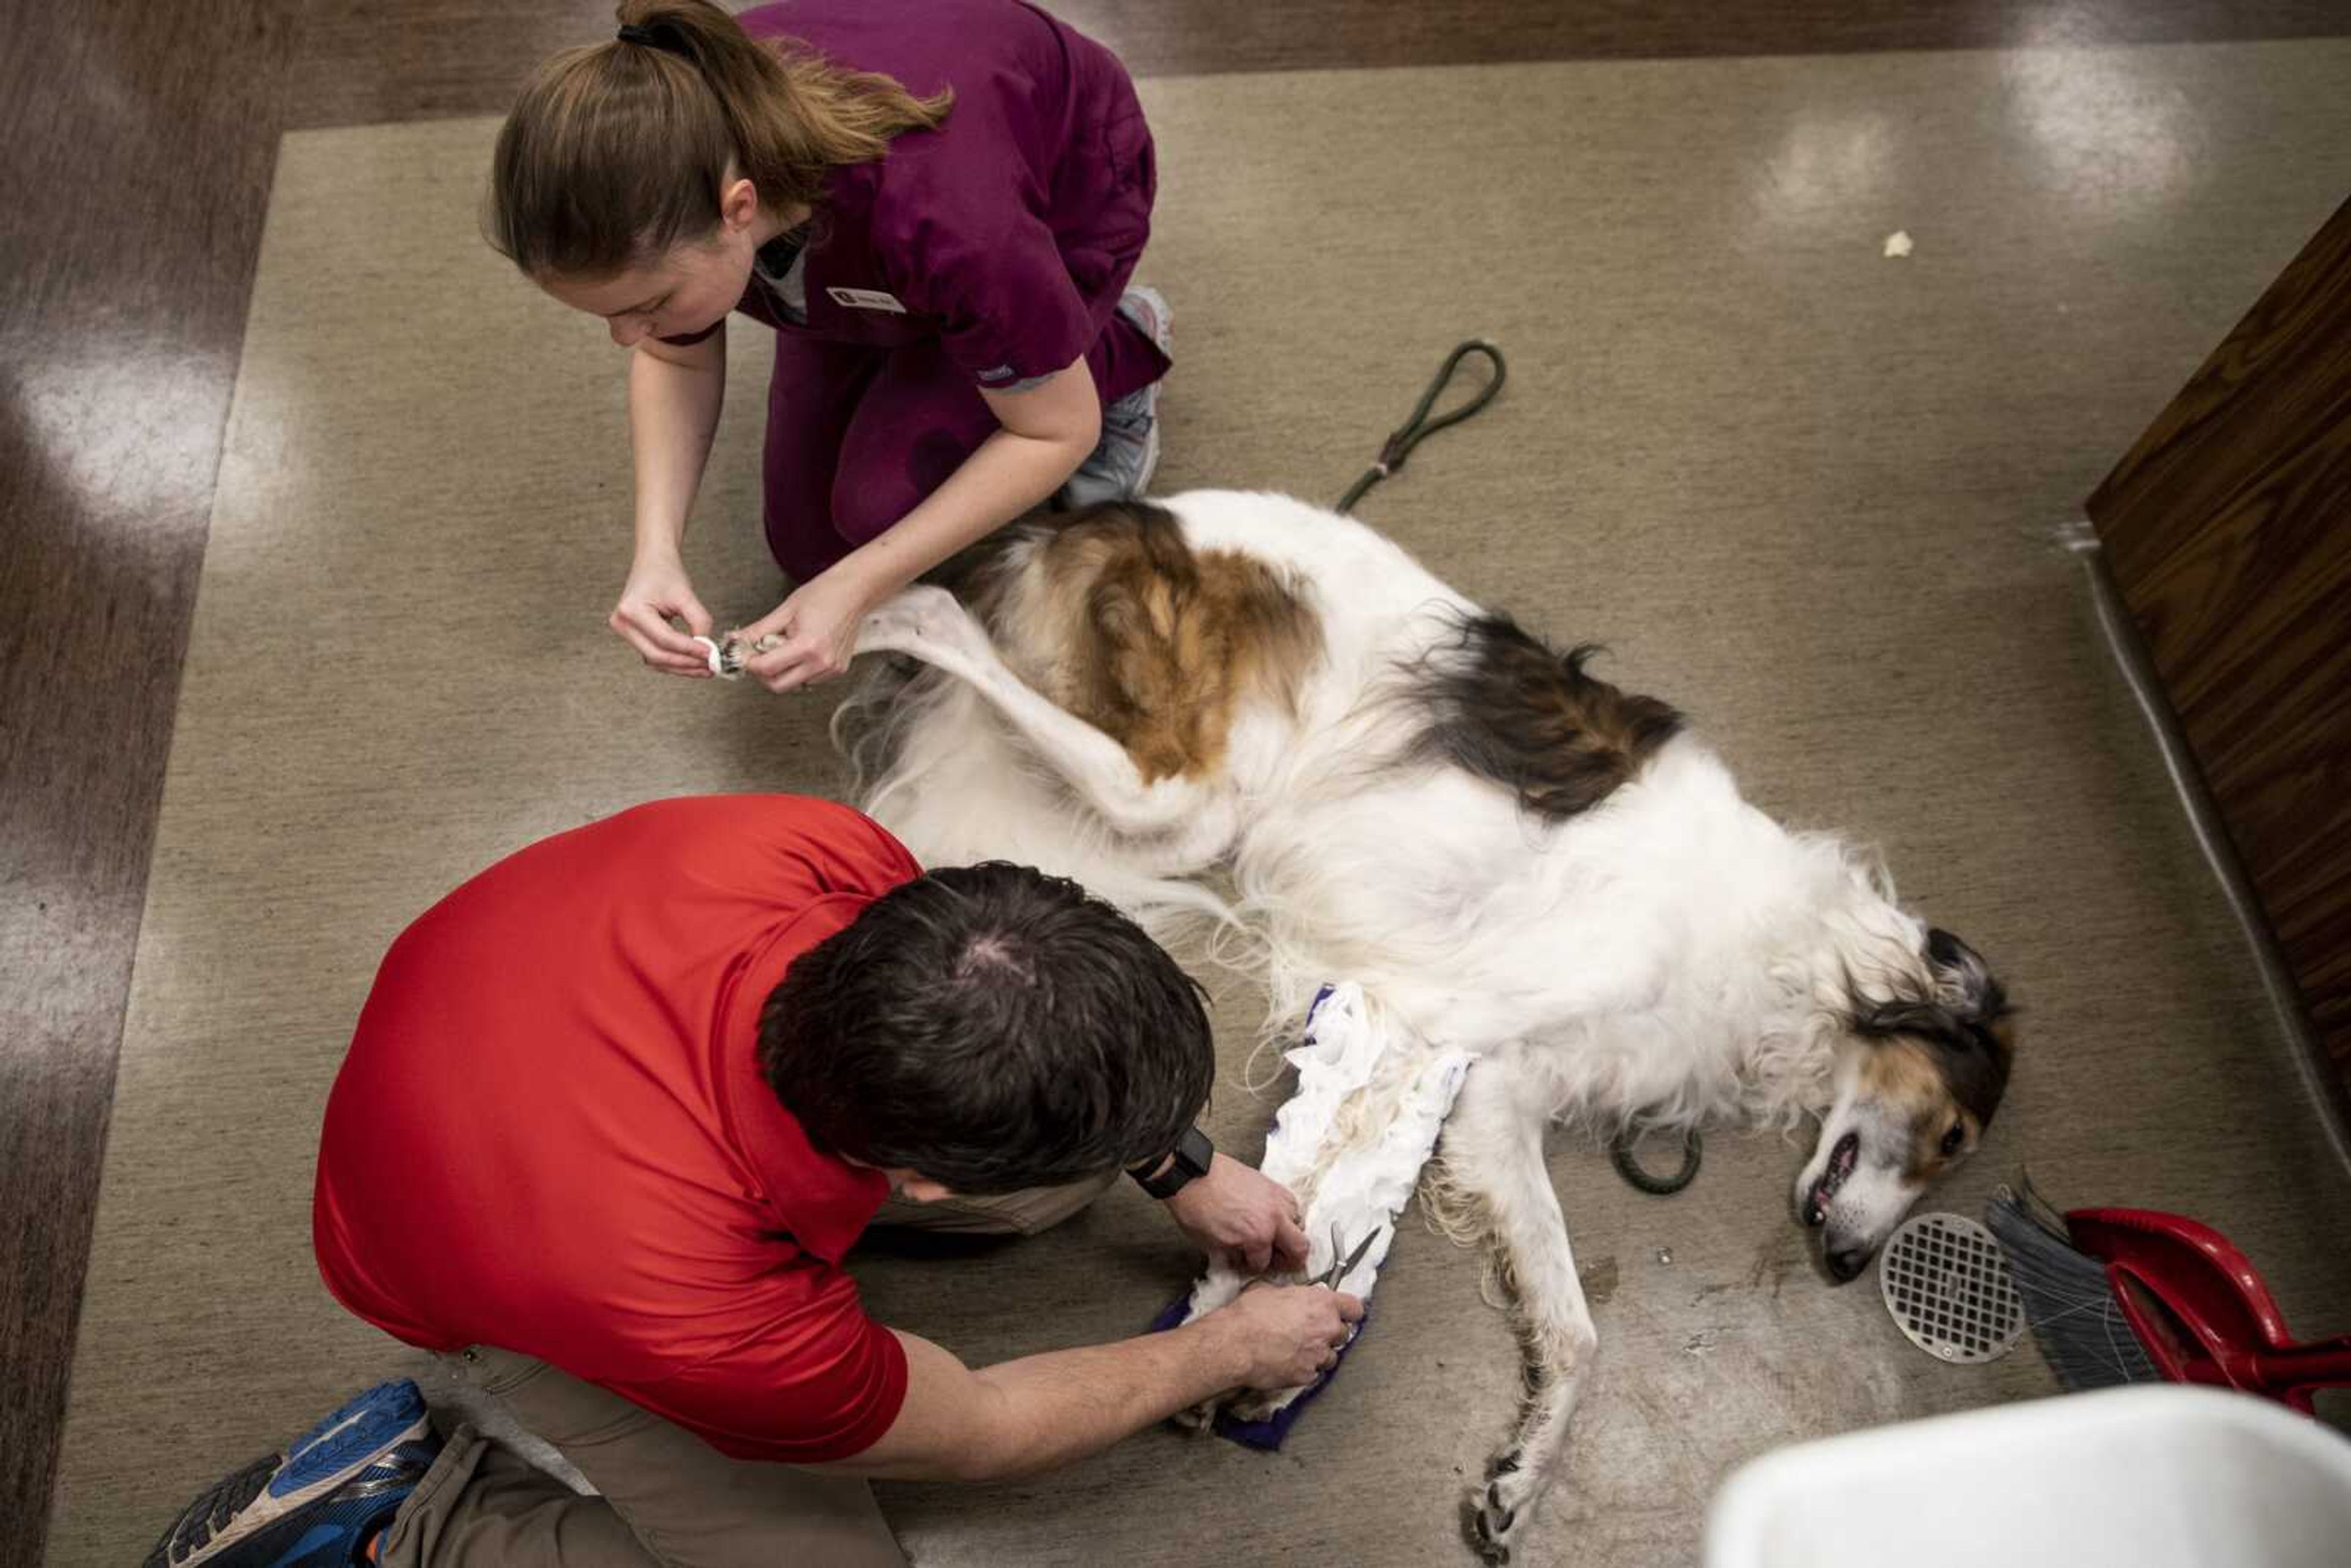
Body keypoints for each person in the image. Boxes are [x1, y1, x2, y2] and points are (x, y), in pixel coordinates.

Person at [146, 795, 1352, 1567]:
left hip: (515, 1072)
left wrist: (1175, 1158)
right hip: (477, 1264)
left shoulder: (822, 855)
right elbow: (976, 1427)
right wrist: (1225, 1350)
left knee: (1053, 1191)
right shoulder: (711, 1312)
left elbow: (1012, 1027)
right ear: (915, 1180)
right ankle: (408, 1523)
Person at [487, 0, 1174, 695]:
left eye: (647, 306)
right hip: (881, 260)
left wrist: (860, 584)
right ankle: (922, 329)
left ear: (740, 210)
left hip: (1068, 197)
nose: (627, 337)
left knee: (875, 515)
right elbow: (675, 353)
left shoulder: (952, 218)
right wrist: (655, 552)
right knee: (808, 546)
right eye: (609, 316)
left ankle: (1114, 341)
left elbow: (1055, 432)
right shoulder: (682, 157)